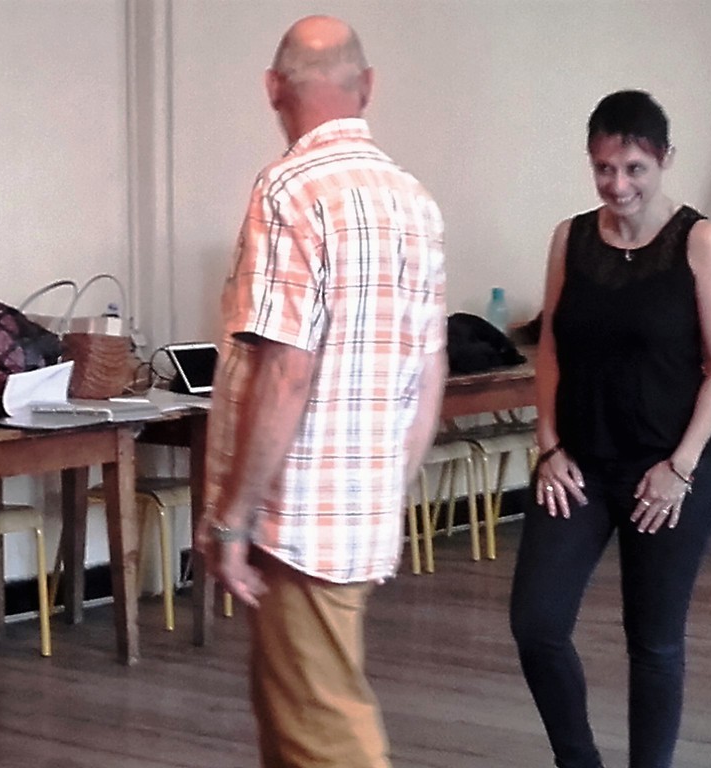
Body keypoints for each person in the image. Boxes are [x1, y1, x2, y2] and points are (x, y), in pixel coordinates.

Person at [199, 16, 447, 768]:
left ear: (273, 89)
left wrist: (233, 518)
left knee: (324, 737)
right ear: (367, 87)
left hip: (296, 520)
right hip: (359, 511)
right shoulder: (415, 202)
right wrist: (385, 488)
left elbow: (286, 369)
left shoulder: (289, 189)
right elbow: (430, 370)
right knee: (296, 719)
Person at [511, 90, 711, 768]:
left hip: (667, 468)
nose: (617, 185)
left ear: (665, 160)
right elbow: (550, 349)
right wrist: (548, 446)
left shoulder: (700, 241)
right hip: (580, 463)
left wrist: (681, 466)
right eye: (604, 168)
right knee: (537, 623)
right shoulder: (570, 238)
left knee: (653, 641)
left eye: (634, 169)